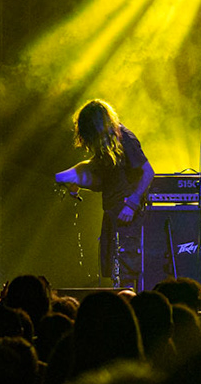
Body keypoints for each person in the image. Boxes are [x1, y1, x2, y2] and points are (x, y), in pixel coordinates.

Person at [54, 99, 155, 287]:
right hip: (112, 212)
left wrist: (132, 204)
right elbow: (104, 180)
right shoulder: (107, 145)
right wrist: (76, 183)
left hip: (127, 213)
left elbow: (148, 172)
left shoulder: (126, 139)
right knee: (113, 269)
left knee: (125, 270)